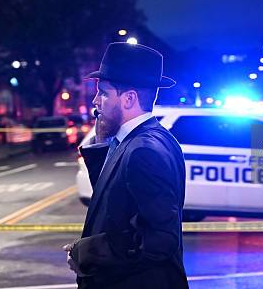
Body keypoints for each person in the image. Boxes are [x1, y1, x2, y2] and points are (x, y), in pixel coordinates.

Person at [63, 42, 188, 289]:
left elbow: (160, 239)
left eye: (104, 93)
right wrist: (101, 144)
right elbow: (117, 203)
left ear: (129, 98)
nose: (95, 101)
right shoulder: (143, 138)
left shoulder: (144, 150)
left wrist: (87, 253)